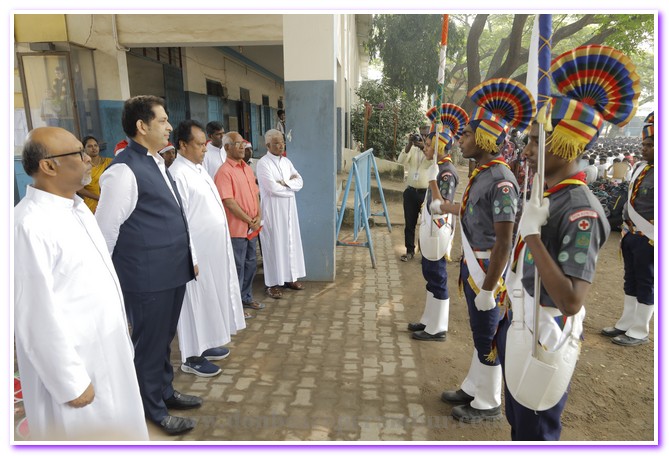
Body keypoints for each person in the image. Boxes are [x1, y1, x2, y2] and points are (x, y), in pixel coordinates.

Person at [497, 43, 637, 440]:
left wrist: (531, 236)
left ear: (566, 142)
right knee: (519, 424)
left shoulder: (581, 209)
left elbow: (572, 300)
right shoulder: (550, 195)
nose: (526, 151)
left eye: (535, 141)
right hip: (521, 322)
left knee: (535, 430)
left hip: (545, 334)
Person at [14, 126, 148, 440]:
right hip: (77, 368)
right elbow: (33, 315)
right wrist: (70, 382)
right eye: (79, 153)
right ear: (48, 166)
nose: (89, 158)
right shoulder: (27, 225)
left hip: (107, 350)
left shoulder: (76, 209)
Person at [95, 95, 200, 436]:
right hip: (146, 278)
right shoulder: (123, 171)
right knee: (149, 345)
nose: (169, 126)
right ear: (142, 126)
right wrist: (106, 282)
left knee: (164, 340)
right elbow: (105, 231)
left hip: (171, 272)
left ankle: (164, 392)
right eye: (162, 120)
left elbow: (173, 214)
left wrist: (190, 257)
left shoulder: (156, 161)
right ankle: (152, 409)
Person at [435, 78, 534, 423]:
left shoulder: (502, 180)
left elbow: (504, 240)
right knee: (479, 332)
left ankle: (489, 401)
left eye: (465, 135)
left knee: (488, 333)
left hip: (489, 272)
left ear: (484, 139)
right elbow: (471, 213)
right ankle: (474, 385)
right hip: (473, 266)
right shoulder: (483, 173)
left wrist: (490, 289)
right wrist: (445, 207)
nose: (460, 140)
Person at [169, 120, 247, 377]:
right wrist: (190, 256)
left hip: (213, 251)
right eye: (200, 144)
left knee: (209, 300)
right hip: (196, 255)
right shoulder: (178, 174)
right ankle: (191, 357)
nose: (205, 149)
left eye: (205, 144)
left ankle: (205, 344)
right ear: (182, 145)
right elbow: (180, 221)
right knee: (193, 303)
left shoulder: (198, 169)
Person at [408, 103, 467, 342]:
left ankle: (438, 327)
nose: (425, 146)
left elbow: (443, 204)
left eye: (429, 144)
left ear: (440, 146)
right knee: (429, 274)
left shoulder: (446, 172)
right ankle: (429, 320)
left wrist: (432, 182)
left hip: (438, 230)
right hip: (430, 228)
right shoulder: (439, 168)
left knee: (437, 276)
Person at [602, 112, 654, 346]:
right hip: (631, 234)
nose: (644, 149)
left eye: (650, 145)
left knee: (646, 281)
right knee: (630, 279)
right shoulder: (641, 168)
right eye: (644, 144)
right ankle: (626, 322)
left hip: (651, 237)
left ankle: (640, 330)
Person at [214, 131, 266, 312]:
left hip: (252, 228)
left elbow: (256, 194)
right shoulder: (224, 172)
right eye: (238, 143)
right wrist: (249, 220)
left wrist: (258, 216)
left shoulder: (247, 168)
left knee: (250, 263)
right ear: (227, 147)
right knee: (237, 267)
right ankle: (234, 307)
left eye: (243, 143)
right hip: (236, 229)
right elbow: (229, 202)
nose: (243, 146)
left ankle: (246, 297)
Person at [256, 129, 307, 300]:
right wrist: (290, 188)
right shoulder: (263, 164)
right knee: (274, 245)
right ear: (267, 145)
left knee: (290, 242)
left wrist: (284, 183)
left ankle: (290, 278)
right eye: (276, 143)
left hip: (289, 210)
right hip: (273, 211)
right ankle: (272, 284)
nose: (281, 145)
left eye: (282, 142)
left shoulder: (286, 162)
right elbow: (272, 188)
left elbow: (300, 182)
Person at [397, 124, 431, 261]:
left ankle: (425, 254)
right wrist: (410, 144)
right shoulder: (412, 148)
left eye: (426, 135)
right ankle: (409, 251)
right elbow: (400, 161)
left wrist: (423, 147)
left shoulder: (432, 150)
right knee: (409, 224)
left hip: (426, 194)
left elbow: (433, 162)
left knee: (426, 225)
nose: (423, 137)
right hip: (410, 192)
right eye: (421, 134)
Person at [76, 135, 113, 213]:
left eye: (95, 145)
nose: (94, 148)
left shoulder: (109, 162)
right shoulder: (83, 167)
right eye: (90, 146)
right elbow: (79, 189)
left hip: (111, 203)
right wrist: (99, 198)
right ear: (84, 149)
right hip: (92, 206)